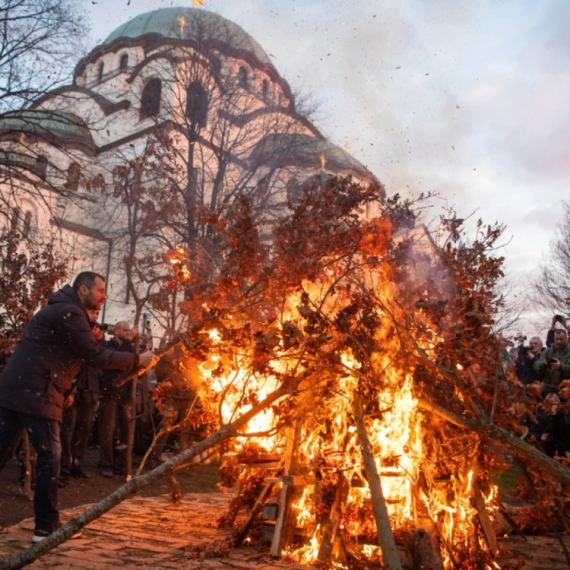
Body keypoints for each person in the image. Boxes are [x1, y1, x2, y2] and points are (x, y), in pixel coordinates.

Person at [0, 272, 158, 542]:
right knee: (51, 457)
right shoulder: (70, 314)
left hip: (15, 389)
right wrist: (137, 359)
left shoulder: (64, 311)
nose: (104, 296)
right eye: (101, 290)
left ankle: (45, 526)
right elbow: (94, 356)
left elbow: (68, 354)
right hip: (35, 393)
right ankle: (46, 528)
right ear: (84, 290)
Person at [59, 310, 104, 485]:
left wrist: (98, 340)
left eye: (96, 313)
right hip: (73, 389)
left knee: (84, 430)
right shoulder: (77, 331)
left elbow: (102, 358)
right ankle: (63, 469)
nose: (94, 315)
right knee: (68, 429)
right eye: (92, 312)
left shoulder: (98, 337)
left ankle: (77, 465)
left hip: (91, 388)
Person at [98, 321, 139, 478]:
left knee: (125, 430)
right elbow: (116, 359)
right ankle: (106, 464)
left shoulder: (131, 346)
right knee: (107, 429)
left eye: (129, 330)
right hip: (111, 392)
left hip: (126, 394)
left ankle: (122, 463)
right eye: (125, 330)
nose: (128, 332)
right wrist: (130, 339)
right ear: (116, 332)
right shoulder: (109, 346)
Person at [534, 329, 570, 396]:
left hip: (564, 393)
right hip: (546, 392)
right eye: (556, 339)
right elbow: (536, 365)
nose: (558, 341)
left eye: (561, 339)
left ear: (566, 338)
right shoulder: (547, 352)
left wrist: (561, 366)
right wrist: (543, 364)